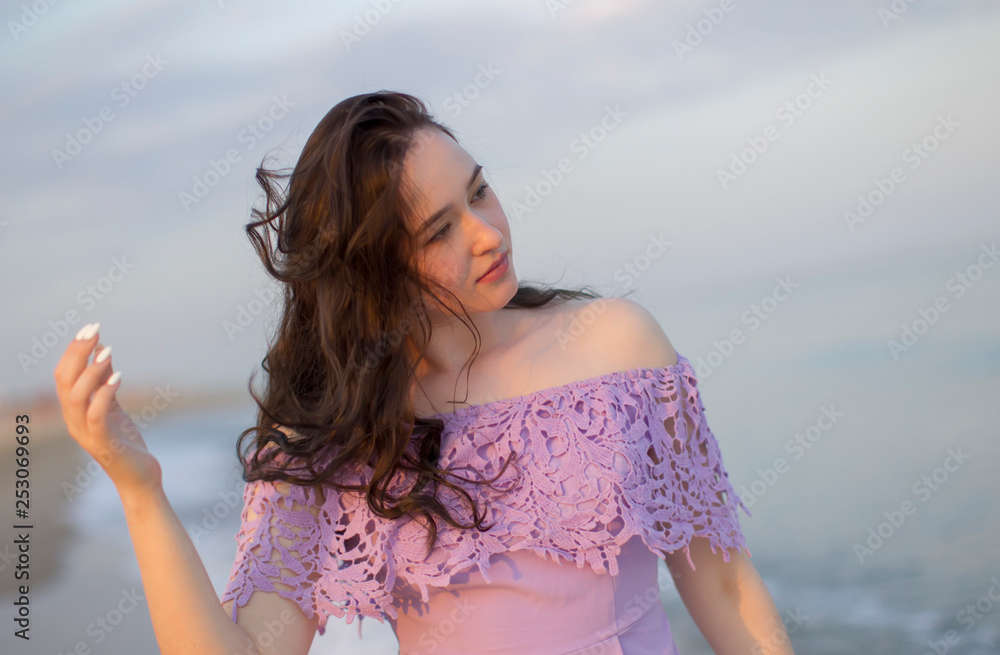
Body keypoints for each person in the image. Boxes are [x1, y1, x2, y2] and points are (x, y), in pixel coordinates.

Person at [53, 90, 795, 654]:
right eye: (439, 230)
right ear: (374, 272)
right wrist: (139, 487)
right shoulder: (330, 434)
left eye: (477, 190)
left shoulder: (618, 347)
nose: (486, 232)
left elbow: (726, 586)